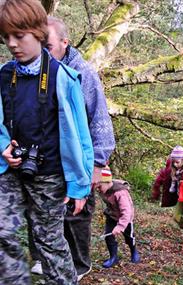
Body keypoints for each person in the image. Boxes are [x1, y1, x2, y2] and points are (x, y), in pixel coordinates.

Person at [0, 0, 94, 284]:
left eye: (20, 36)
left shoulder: (63, 77)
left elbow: (81, 135)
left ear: (39, 33)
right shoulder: (4, 75)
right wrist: (3, 146)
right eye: (6, 37)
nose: (12, 44)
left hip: (50, 174)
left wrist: (80, 185)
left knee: (48, 242)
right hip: (10, 170)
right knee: (3, 232)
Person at [28, 16, 116, 281]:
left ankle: (79, 264)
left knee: (76, 215)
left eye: (49, 45)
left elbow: (100, 119)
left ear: (65, 43)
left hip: (80, 159)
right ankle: (46, 260)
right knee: (45, 213)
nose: (44, 51)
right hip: (46, 161)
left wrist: (97, 165)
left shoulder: (83, 73)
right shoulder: (32, 71)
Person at [95, 166, 141, 268]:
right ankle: (113, 257)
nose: (98, 189)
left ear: (107, 182)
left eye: (99, 186)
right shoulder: (104, 190)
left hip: (126, 219)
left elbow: (126, 212)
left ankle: (134, 251)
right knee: (108, 236)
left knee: (129, 236)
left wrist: (120, 226)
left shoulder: (120, 193)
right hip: (112, 216)